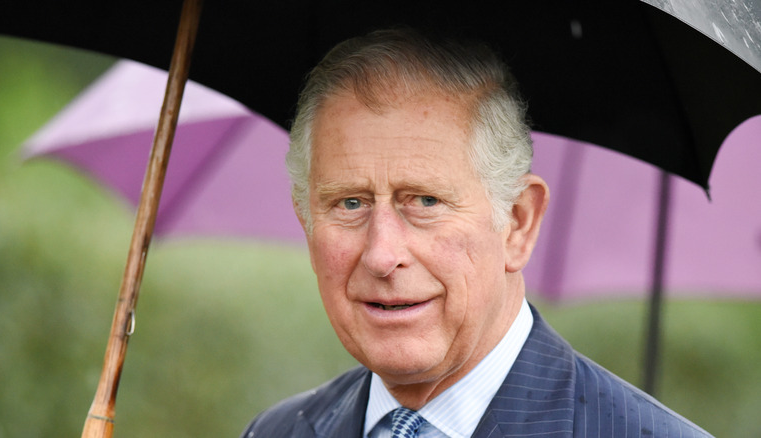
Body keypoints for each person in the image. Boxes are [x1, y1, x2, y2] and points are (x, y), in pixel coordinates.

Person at [241, 28, 712, 438]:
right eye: (350, 203)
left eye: (425, 201)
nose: (382, 255)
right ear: (306, 221)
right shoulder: (274, 431)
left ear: (518, 223)